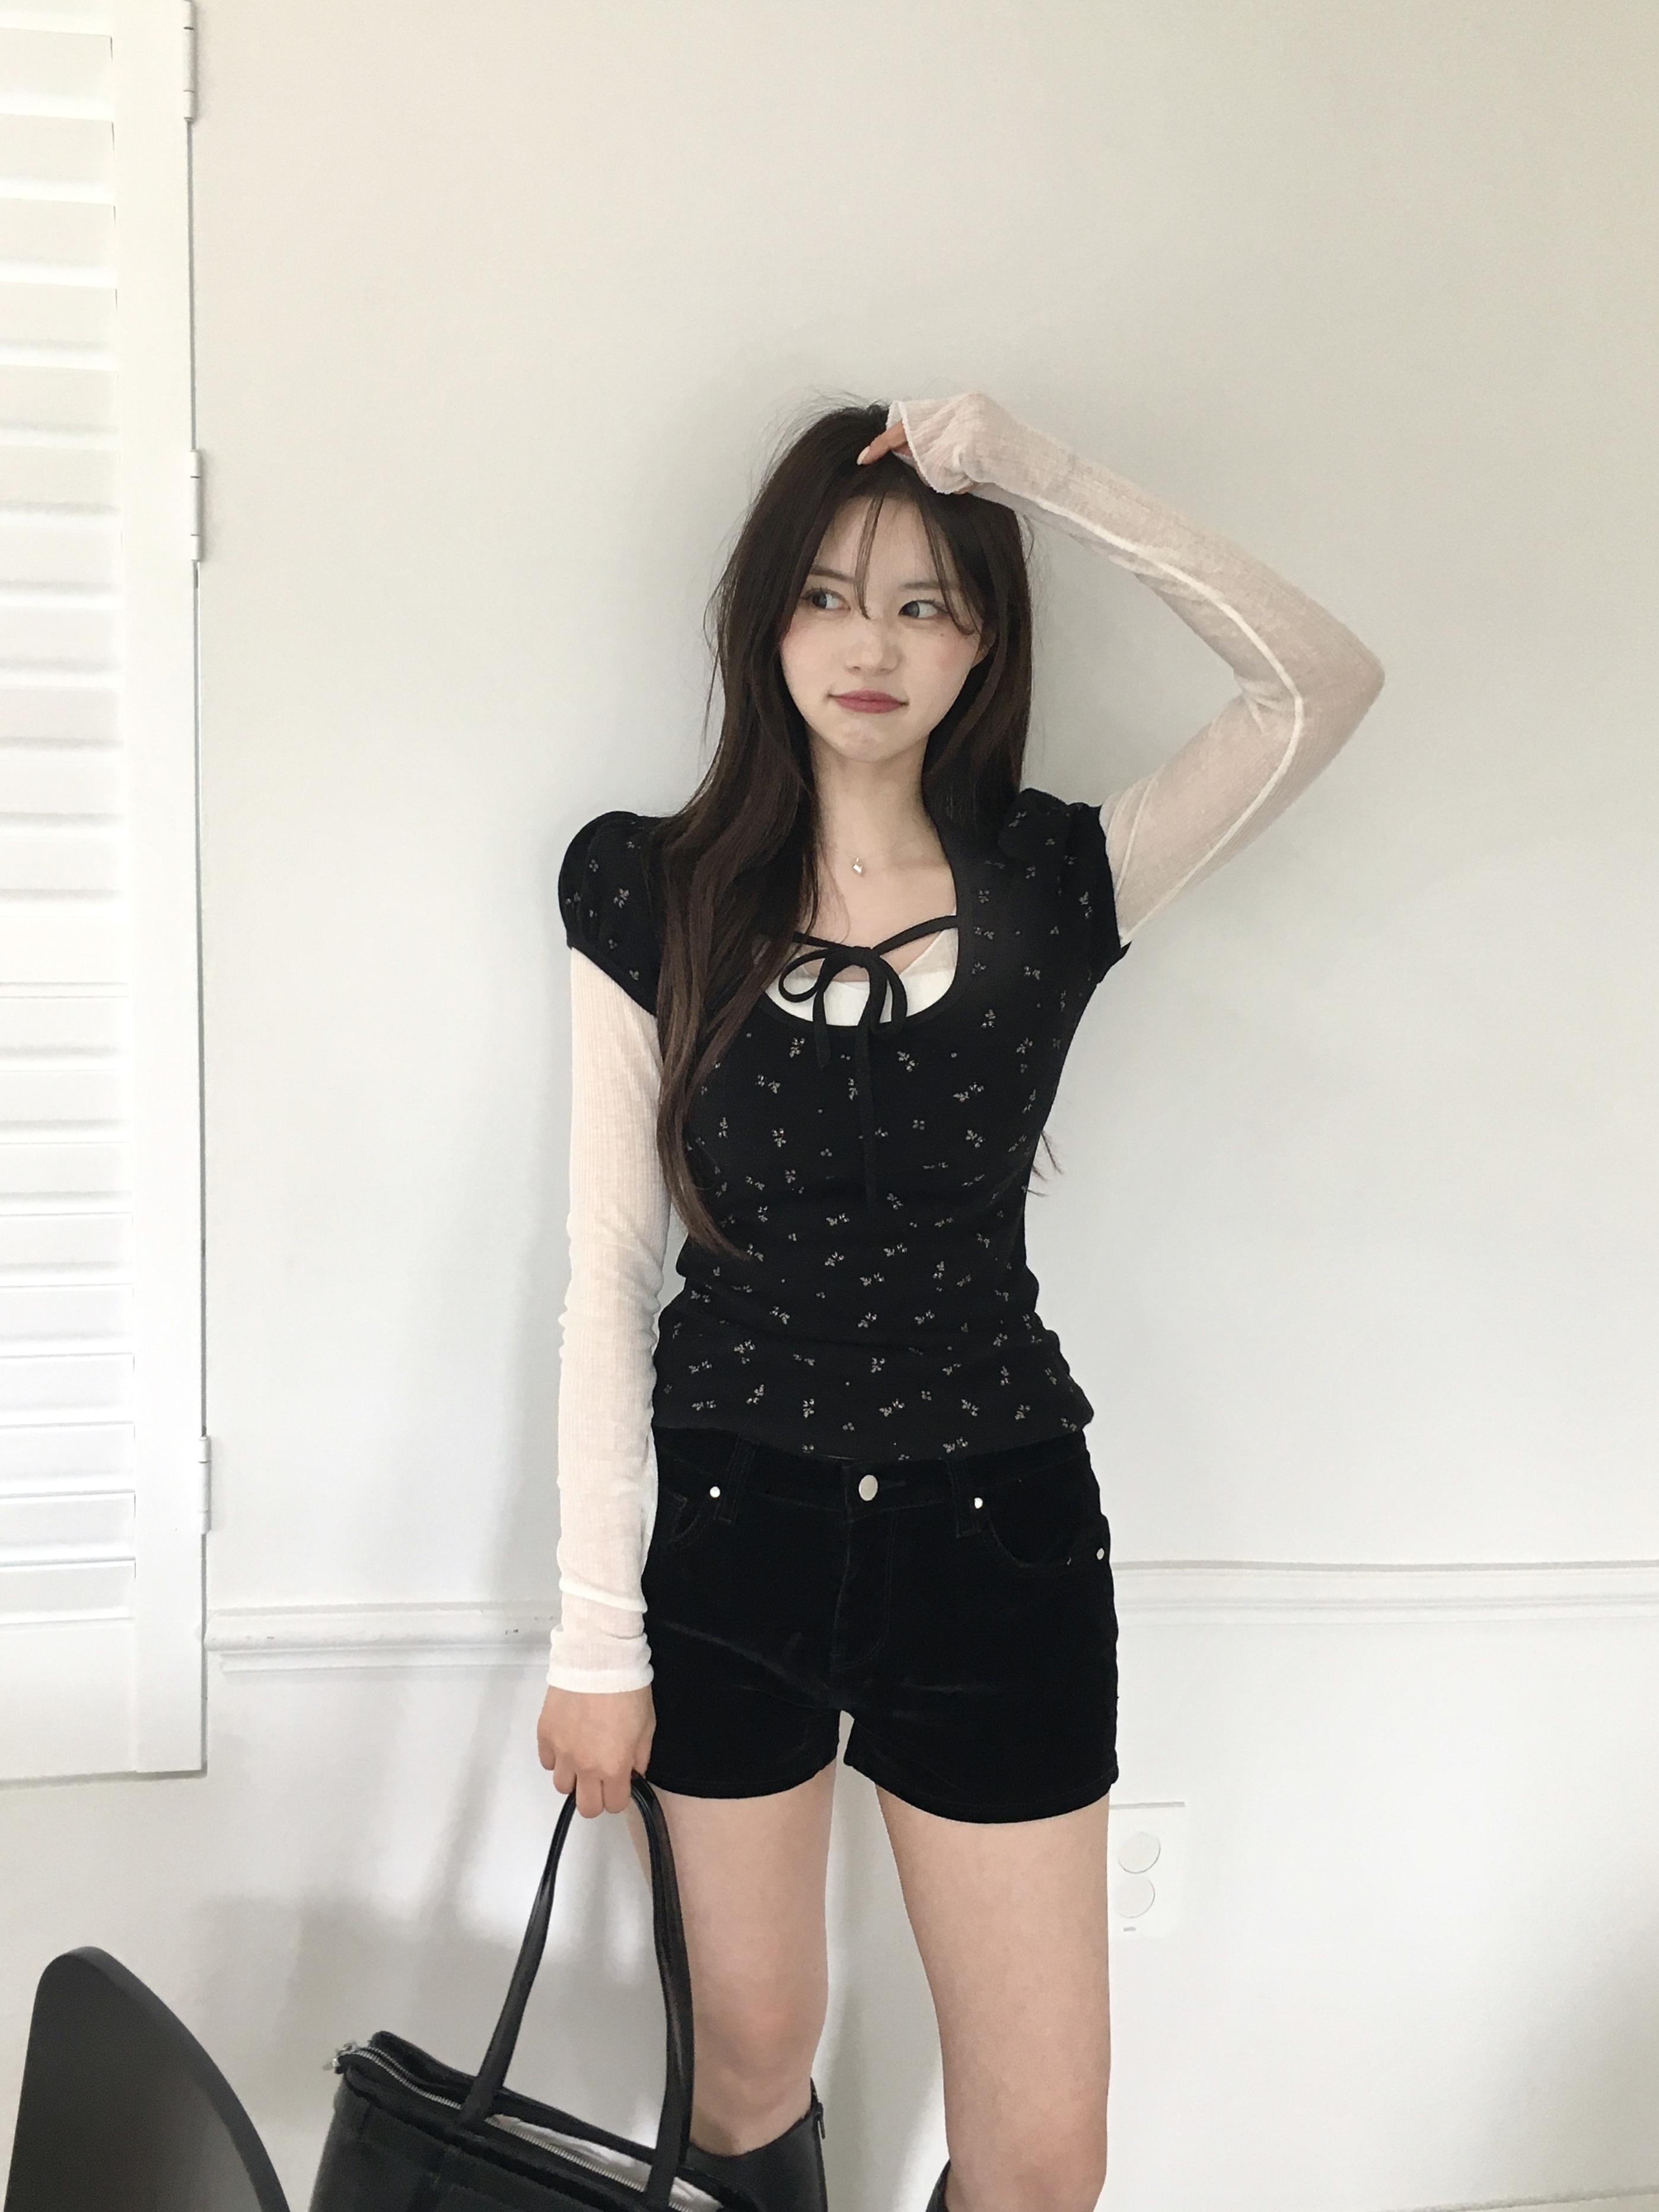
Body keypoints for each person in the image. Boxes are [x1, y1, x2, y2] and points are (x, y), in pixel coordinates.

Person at [537, 390, 1384, 2212]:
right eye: (831, 594)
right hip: (733, 1532)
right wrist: (597, 1639)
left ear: (983, 639)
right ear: (767, 618)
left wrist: (1042, 475)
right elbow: (606, 1270)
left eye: (927, 602)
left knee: (1044, 2154)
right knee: (746, 2068)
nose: (874, 643)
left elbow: (1319, 684)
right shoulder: (649, 888)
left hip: (995, 1536)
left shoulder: (1057, 879)